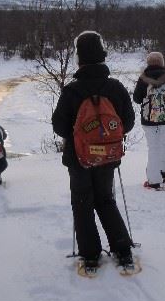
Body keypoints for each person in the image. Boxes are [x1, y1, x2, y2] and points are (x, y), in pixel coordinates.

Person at [51, 31, 136, 273]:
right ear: (102, 55)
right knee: (106, 200)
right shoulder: (116, 88)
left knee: (82, 203)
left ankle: (90, 256)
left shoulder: (72, 91)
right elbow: (127, 123)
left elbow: (59, 126)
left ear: (80, 59)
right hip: (108, 157)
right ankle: (122, 249)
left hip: (79, 159)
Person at [133, 51, 165, 190]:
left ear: (148, 63)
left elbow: (136, 99)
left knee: (153, 148)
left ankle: (154, 180)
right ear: (162, 62)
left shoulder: (143, 78)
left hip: (148, 119)